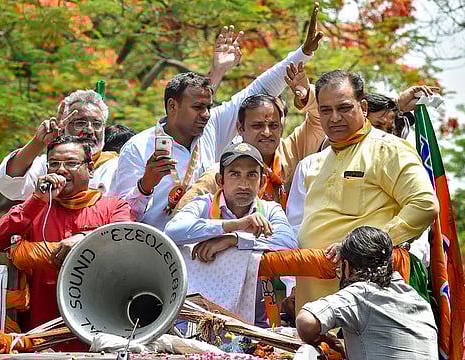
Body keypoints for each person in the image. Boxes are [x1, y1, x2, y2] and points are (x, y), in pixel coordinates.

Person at [110, 4, 324, 231]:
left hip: (203, 244)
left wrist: (304, 53)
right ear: (172, 106)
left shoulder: (211, 128)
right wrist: (146, 185)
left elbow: (261, 88)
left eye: (208, 107)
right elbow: (121, 214)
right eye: (197, 108)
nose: (205, 114)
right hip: (153, 248)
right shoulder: (138, 147)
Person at [286, 69, 438, 312]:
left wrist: (362, 246)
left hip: (368, 307)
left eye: (344, 108)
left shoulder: (388, 149)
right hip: (313, 309)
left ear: (363, 107)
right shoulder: (314, 163)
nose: (334, 118)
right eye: (326, 110)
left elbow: (424, 205)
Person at [0, 136, 132, 350]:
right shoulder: (35, 207)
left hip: (100, 329)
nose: (61, 170)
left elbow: (127, 244)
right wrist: (37, 199)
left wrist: (85, 240)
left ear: (90, 169)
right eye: (54, 163)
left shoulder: (113, 207)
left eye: (71, 163)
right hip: (39, 335)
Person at [164, 143, 296, 326]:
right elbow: (172, 231)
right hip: (196, 319)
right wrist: (232, 225)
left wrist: (233, 239)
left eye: (252, 175)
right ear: (220, 181)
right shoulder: (204, 205)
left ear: (262, 182)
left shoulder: (270, 210)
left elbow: (288, 243)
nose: (243, 184)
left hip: (256, 322)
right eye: (235, 174)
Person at [174, 75, 323, 211]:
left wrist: (307, 95)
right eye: (257, 126)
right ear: (240, 128)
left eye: (273, 125)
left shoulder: (292, 151)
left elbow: (319, 119)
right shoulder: (221, 172)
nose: (267, 132)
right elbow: (181, 216)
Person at [295, 226, 438, 360]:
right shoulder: (417, 299)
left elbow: (305, 322)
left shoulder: (361, 294)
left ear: (347, 267)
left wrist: (326, 340)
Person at [0, 90, 123, 198]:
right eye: (80, 123)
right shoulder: (49, 164)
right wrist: (38, 143)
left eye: (97, 124)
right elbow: (8, 186)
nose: (89, 130)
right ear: (64, 128)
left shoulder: (117, 165)